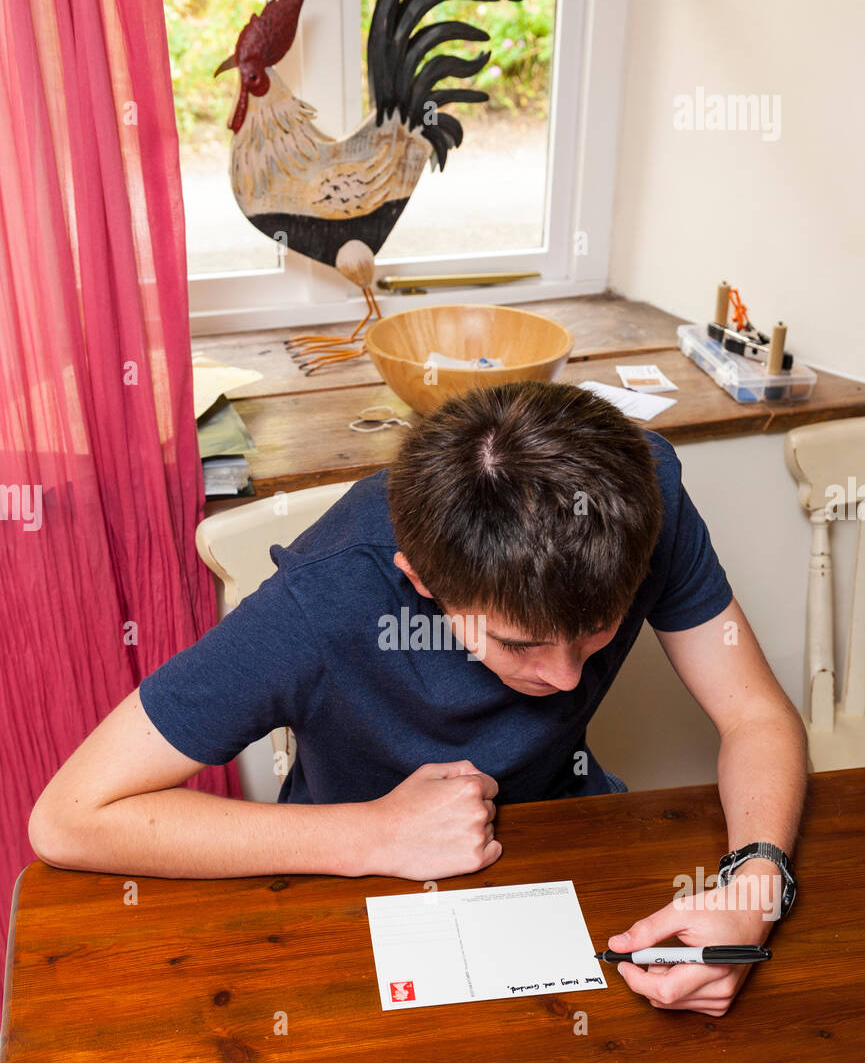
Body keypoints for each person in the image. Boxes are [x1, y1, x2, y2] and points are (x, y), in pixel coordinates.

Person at [29, 381, 807, 1016]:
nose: (567, 680)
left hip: (557, 840)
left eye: (596, 631)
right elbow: (69, 818)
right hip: (345, 881)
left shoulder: (645, 498)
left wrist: (754, 887)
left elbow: (753, 715)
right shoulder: (322, 600)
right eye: (520, 645)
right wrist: (371, 836)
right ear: (422, 584)